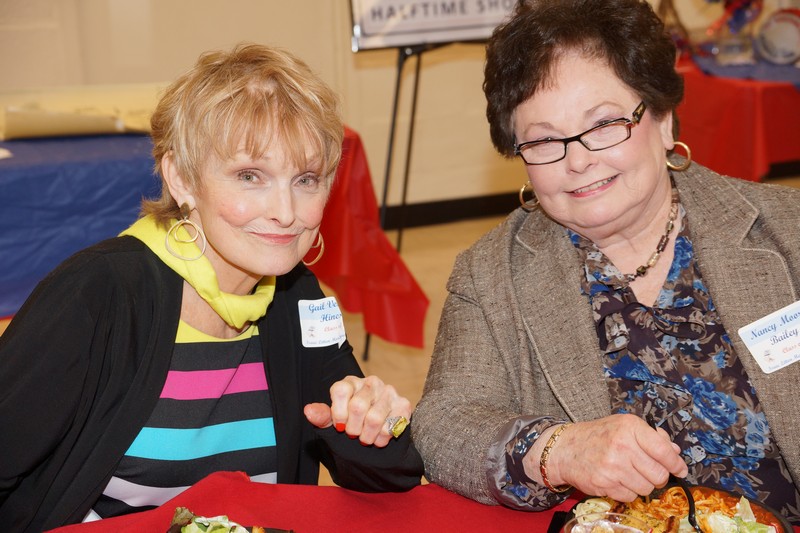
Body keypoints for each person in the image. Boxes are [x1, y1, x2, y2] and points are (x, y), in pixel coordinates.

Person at [0, 43, 423, 531]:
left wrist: (373, 425)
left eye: (306, 179)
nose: (286, 212)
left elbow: (390, 481)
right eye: (250, 176)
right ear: (181, 178)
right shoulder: (97, 296)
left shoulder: (298, 298)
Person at [412, 0, 800, 524]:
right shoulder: (490, 275)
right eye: (544, 139)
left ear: (662, 119)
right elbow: (442, 425)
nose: (578, 160)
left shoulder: (788, 231)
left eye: (603, 124)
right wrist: (556, 450)